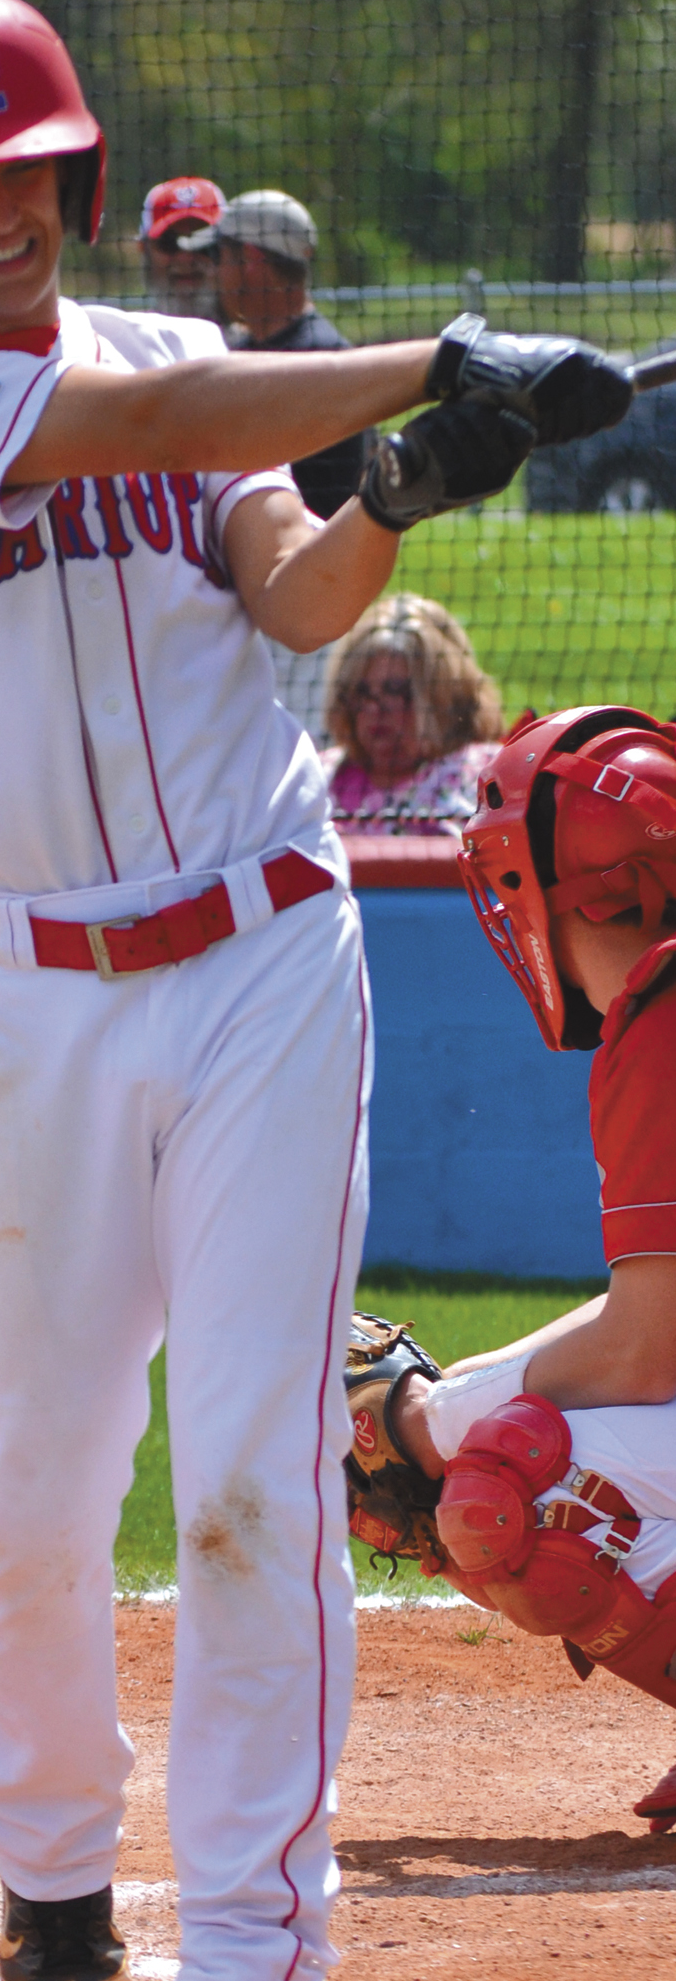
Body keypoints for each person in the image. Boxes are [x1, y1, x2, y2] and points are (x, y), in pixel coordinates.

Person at [0, 0, 615, 1981]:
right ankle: (57, 1885)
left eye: (28, 170)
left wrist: (424, 479)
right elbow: (122, 443)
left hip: (263, 950)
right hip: (36, 997)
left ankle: (266, 1972)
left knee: (256, 1466)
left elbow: (282, 578)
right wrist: (431, 364)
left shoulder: (187, 373)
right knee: (37, 1492)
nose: (0, 212)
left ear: (73, 175)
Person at [363, 706, 676, 1835]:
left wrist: (429, 1423)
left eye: (518, 877)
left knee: (504, 1486)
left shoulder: (664, 1011)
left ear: (592, 891)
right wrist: (452, 1397)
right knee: (494, 1434)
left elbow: (647, 1348)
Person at [194, 190, 378, 740]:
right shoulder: (264, 351)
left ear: (250, 259)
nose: (214, 273)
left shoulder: (312, 362)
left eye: (220, 256)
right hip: (271, 603)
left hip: (297, 611)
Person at [322, 592, 504, 834]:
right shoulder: (319, 777)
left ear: (442, 697)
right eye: (361, 692)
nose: (374, 709)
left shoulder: (486, 775)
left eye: (395, 691)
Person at [137, 176, 226, 317]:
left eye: (202, 241)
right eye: (169, 243)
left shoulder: (259, 333)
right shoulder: (126, 336)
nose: (186, 259)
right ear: (143, 248)